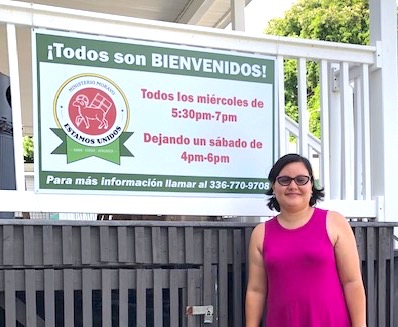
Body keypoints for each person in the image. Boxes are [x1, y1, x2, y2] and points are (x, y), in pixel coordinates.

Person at [245, 153, 366, 327]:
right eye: (284, 180)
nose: (293, 186)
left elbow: (352, 282)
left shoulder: (334, 222)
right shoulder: (261, 233)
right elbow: (256, 291)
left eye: (301, 180)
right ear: (273, 186)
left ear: (311, 185)